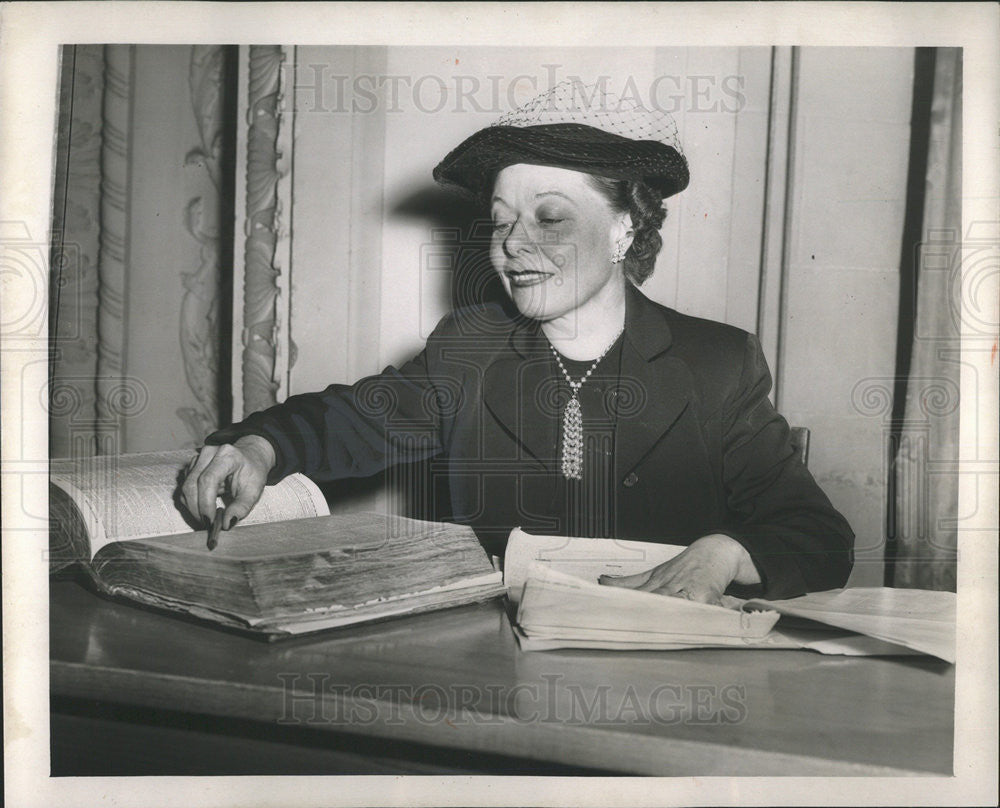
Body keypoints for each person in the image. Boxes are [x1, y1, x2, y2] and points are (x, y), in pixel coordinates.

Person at [180, 81, 854, 604]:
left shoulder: (717, 363)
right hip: (497, 670)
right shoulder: (469, 349)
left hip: (662, 676)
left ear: (626, 229)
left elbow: (819, 537)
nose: (511, 244)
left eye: (550, 216)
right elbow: (349, 420)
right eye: (501, 221)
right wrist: (260, 444)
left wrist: (725, 552)